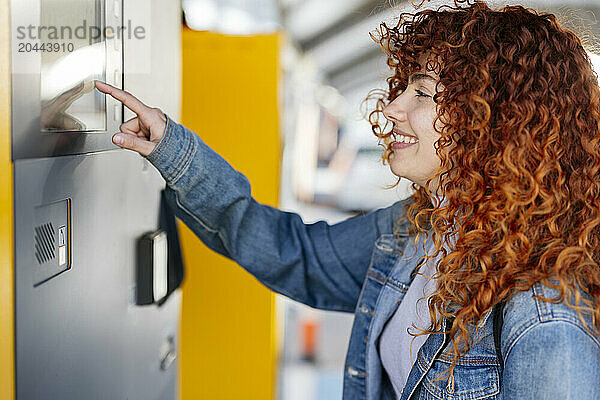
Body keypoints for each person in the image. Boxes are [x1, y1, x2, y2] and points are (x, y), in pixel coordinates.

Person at [95, 0, 600, 398]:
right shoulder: (423, 229)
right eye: (404, 87)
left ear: (496, 120)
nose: (394, 107)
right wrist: (173, 151)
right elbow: (298, 256)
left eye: (423, 92)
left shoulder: (546, 315)